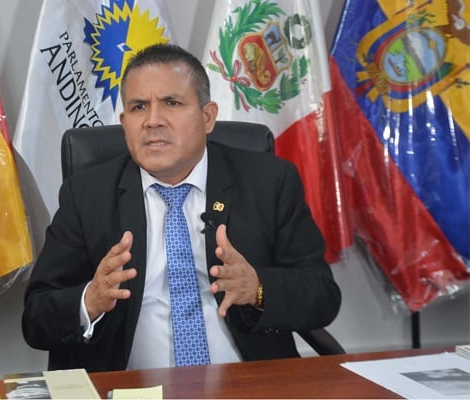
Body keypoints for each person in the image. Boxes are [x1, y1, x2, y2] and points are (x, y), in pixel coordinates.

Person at [22, 43, 341, 372]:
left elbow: (322, 296)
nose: (152, 121)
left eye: (171, 103)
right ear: (124, 122)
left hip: (245, 385)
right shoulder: (87, 194)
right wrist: (90, 300)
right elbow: (36, 317)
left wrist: (257, 288)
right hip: (133, 388)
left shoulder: (269, 181)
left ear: (208, 117)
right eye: (139, 107)